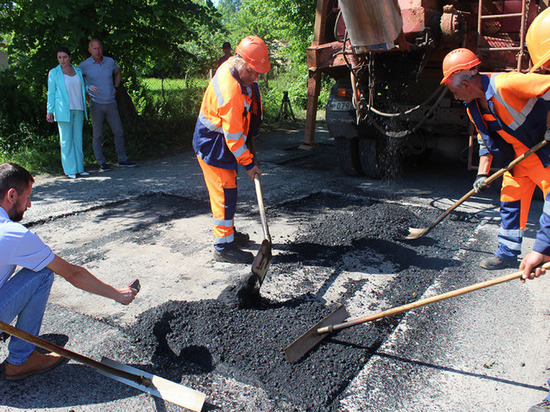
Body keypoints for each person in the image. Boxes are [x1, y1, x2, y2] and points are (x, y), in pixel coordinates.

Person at [0, 162, 138, 381]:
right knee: (42, 274)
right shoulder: (13, 234)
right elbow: (72, 274)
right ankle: (20, 362)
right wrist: (117, 295)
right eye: (27, 197)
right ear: (11, 195)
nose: (30, 205)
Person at [440, 48, 550, 270]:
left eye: (454, 91)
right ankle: (507, 253)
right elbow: (485, 140)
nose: (455, 97)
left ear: (465, 85)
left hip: (541, 153)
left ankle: (544, 250)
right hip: (518, 161)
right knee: (510, 202)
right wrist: (482, 174)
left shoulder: (507, 84)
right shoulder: (473, 107)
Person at [193, 35, 270, 263]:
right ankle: (223, 247)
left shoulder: (237, 70)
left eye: (258, 73)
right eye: (252, 72)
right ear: (241, 61)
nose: (255, 77)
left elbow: (246, 113)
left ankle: (228, 234)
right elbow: (234, 137)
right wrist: (249, 163)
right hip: (213, 145)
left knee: (229, 191)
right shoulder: (230, 90)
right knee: (225, 195)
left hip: (223, 141)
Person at [79, 39, 136, 171]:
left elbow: (117, 72)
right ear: (89, 50)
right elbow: (78, 82)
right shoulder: (84, 65)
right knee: (98, 134)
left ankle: (122, 159)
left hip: (111, 102)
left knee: (118, 131)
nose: (97, 51)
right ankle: (101, 162)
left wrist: (116, 87)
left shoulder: (110, 62)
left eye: (99, 48)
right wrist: (87, 96)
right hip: (96, 104)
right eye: (94, 48)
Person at [47, 47, 98, 179]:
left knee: (77, 139)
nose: (62, 60)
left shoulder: (77, 70)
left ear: (69, 57)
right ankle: (70, 170)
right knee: (66, 141)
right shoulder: (54, 73)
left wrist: (88, 88)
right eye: (59, 58)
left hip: (78, 109)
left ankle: (80, 168)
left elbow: (80, 87)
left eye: (64, 57)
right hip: (63, 110)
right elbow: (51, 93)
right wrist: (49, 111)